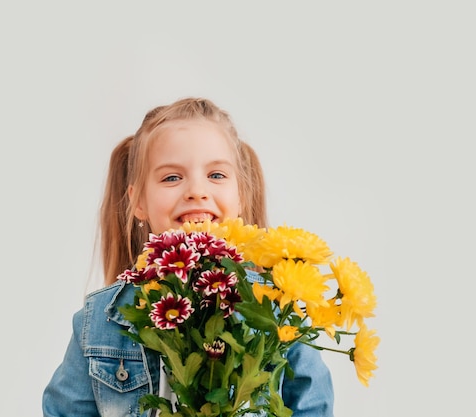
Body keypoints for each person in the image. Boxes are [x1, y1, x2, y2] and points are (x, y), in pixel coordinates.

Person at [42, 97, 335, 417]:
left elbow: (313, 408)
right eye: (171, 177)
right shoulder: (99, 320)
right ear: (138, 201)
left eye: (217, 175)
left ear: (241, 196)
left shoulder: (276, 309)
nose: (197, 190)